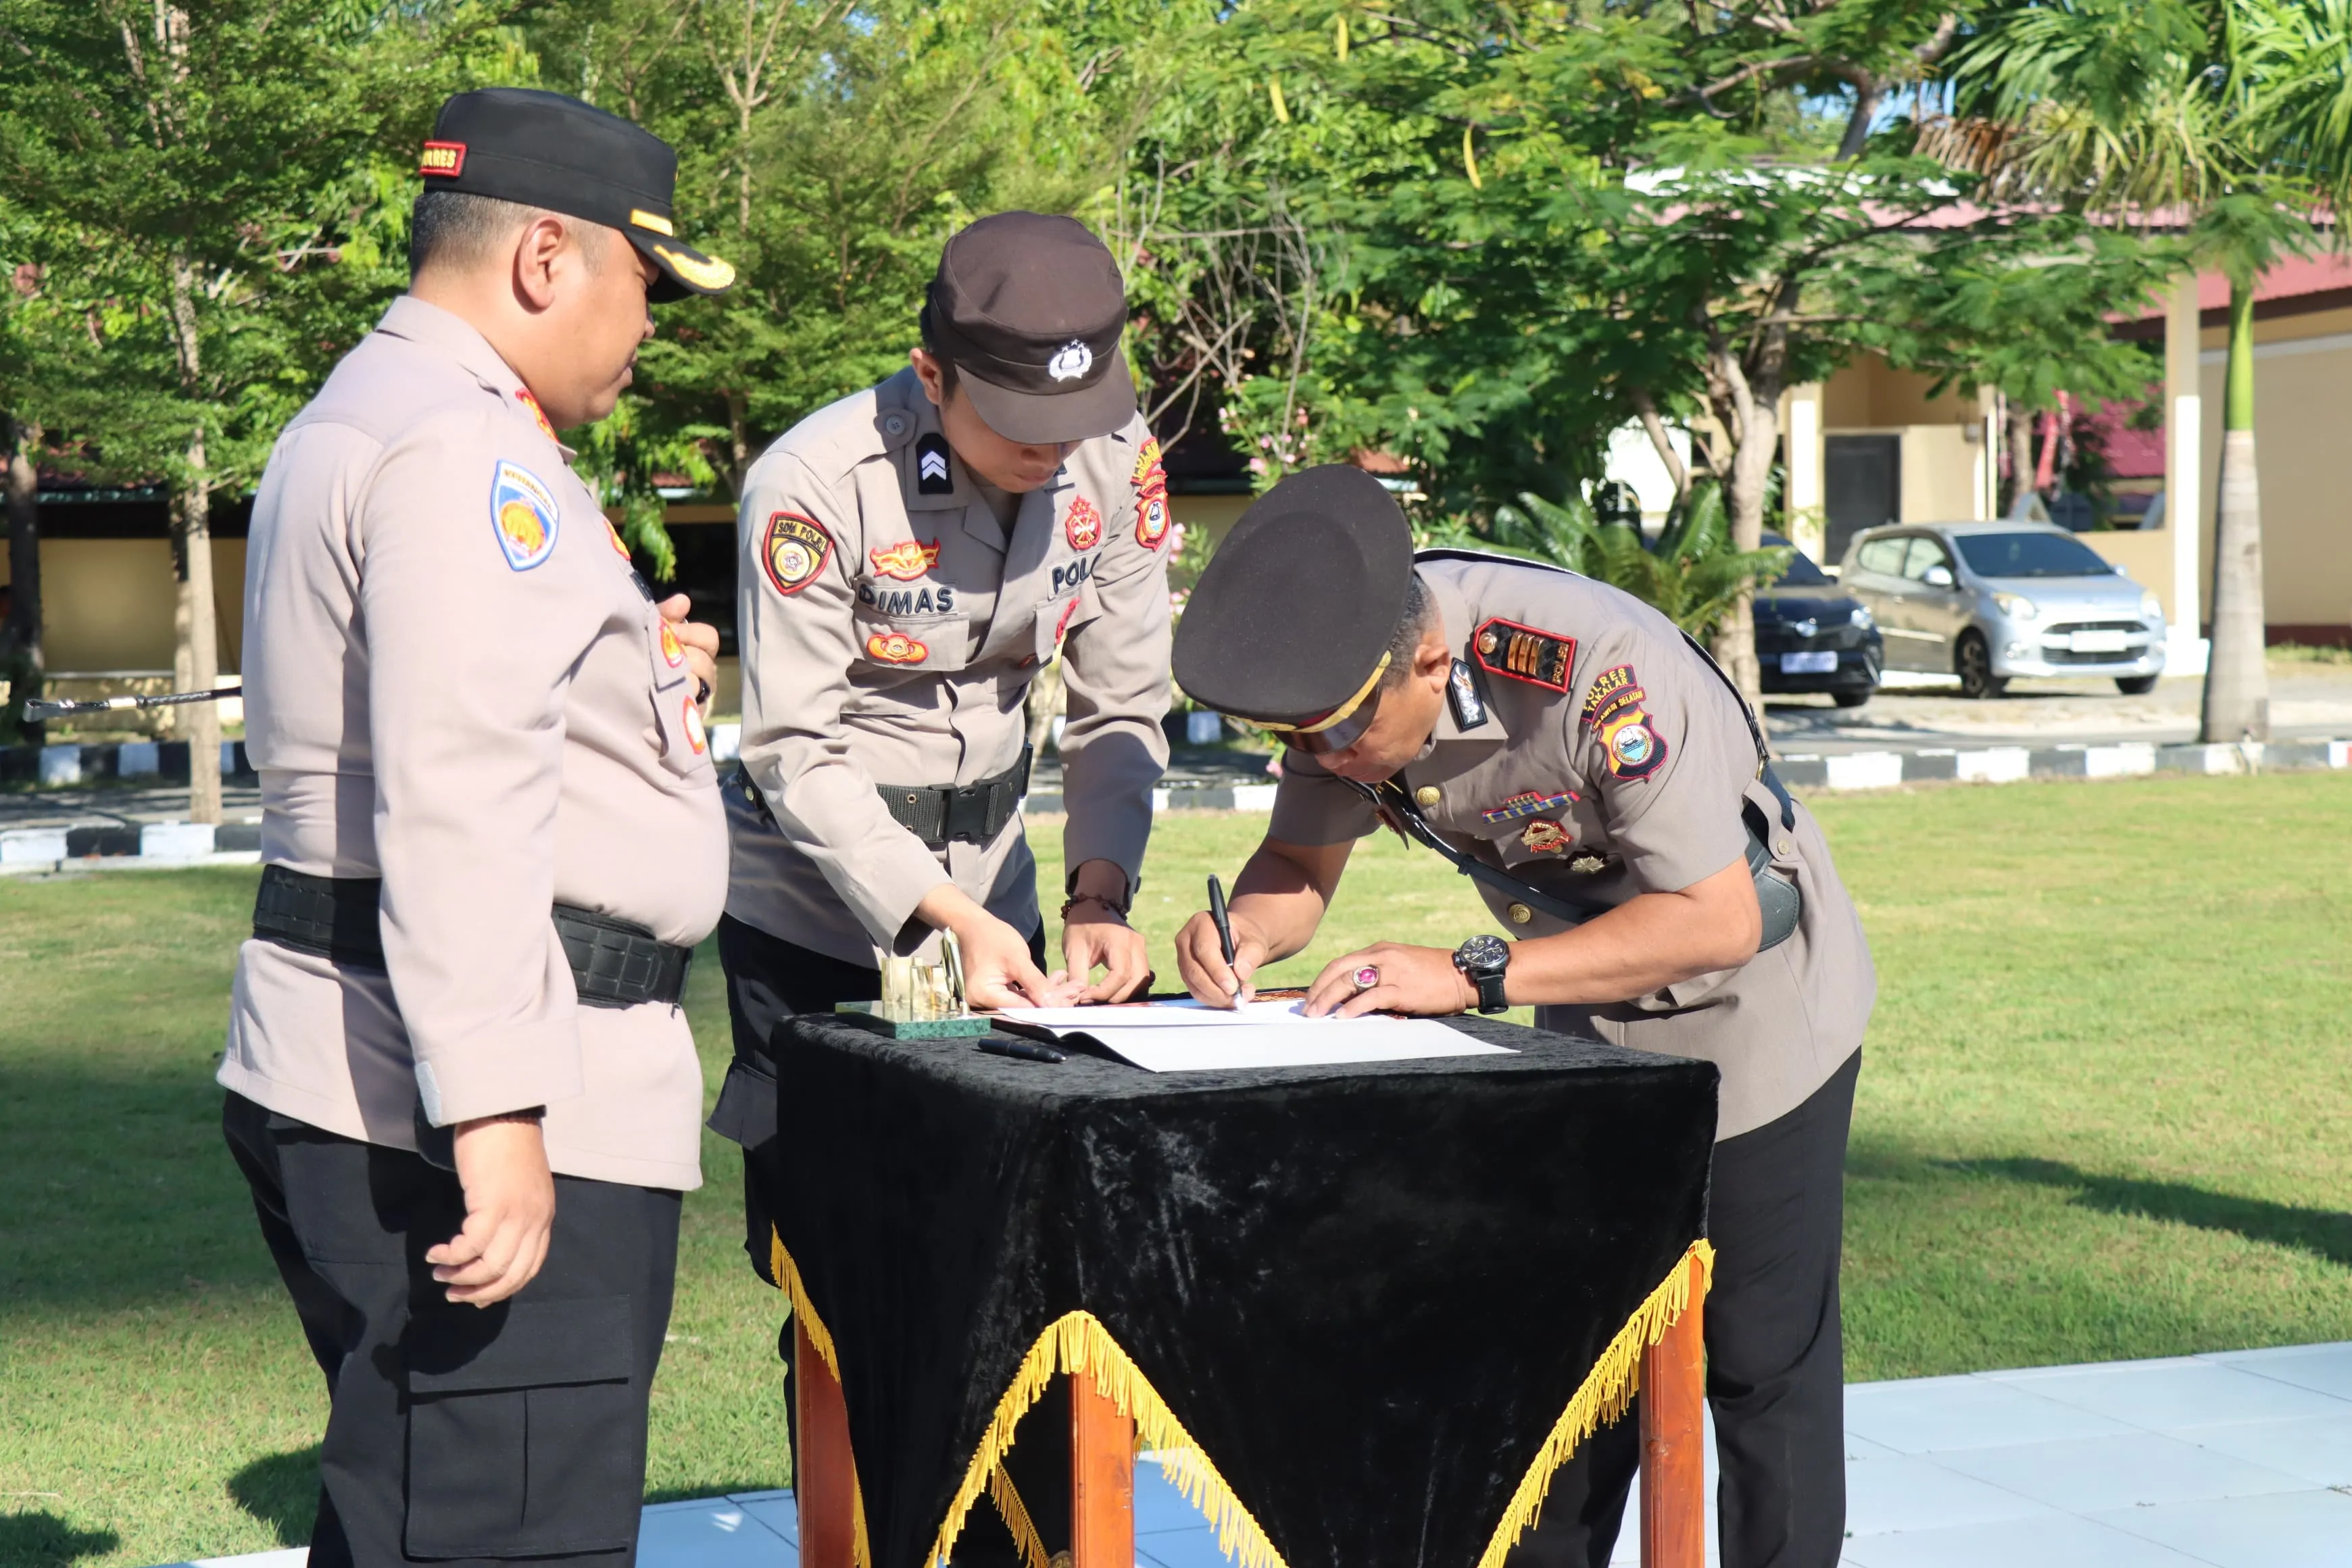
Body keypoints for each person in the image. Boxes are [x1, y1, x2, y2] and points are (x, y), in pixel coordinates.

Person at [1169, 464, 1874, 1568]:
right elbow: (1300, 859)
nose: (1322, 761)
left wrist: (1468, 972)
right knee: (1572, 1383)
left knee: (1757, 1369)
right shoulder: (1345, 676)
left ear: (1434, 666)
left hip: (1757, 1011)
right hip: (1586, 1026)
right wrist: (1246, 934)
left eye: (1335, 738)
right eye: (1297, 740)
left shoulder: (1593, 673)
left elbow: (1717, 920)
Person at [217, 87, 735, 1568]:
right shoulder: (467, 451)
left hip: (388, 1053)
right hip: (474, 1093)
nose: (652, 328)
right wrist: (500, 1107)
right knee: (508, 1536)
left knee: (421, 1520)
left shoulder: (386, 408)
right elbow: (454, 783)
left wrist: (640, 674)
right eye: (646, 285)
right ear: (544, 259)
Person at [708, 211, 1173, 1564]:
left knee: (1014, 1246)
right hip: (821, 908)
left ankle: (1008, 1539)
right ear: (932, 372)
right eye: (1023, 413)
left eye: (1078, 407)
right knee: (845, 1260)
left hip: (1008, 899)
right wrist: (940, 915)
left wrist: (1099, 898)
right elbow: (794, 748)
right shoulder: (816, 482)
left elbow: (1122, 703)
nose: (1055, 443)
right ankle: (857, 1535)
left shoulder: (1115, 460)